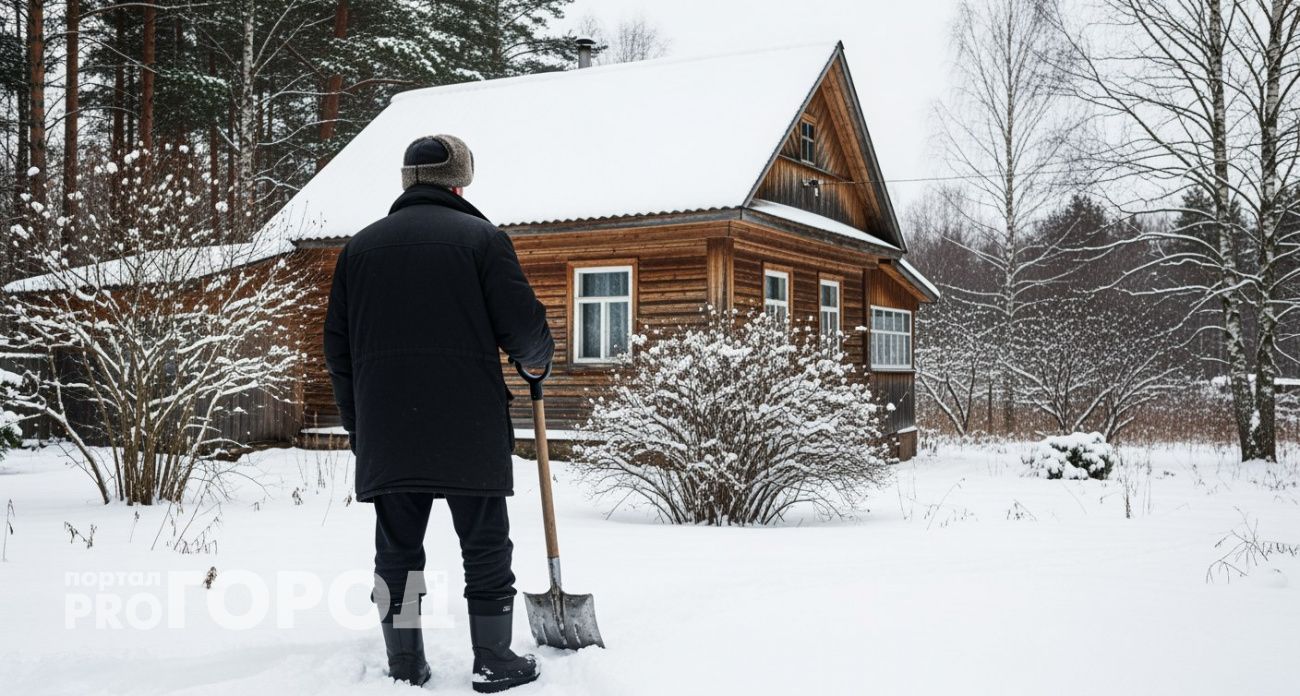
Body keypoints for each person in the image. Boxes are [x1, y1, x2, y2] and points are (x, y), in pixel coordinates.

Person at [323, 134, 554, 692]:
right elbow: (523, 330)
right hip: (468, 426)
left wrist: (362, 429)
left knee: (397, 549)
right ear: (460, 180)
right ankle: (493, 657)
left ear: (407, 181)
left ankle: (404, 662)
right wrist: (536, 363)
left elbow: (339, 353)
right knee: (484, 544)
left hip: (388, 428)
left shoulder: (358, 250)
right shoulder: (482, 240)